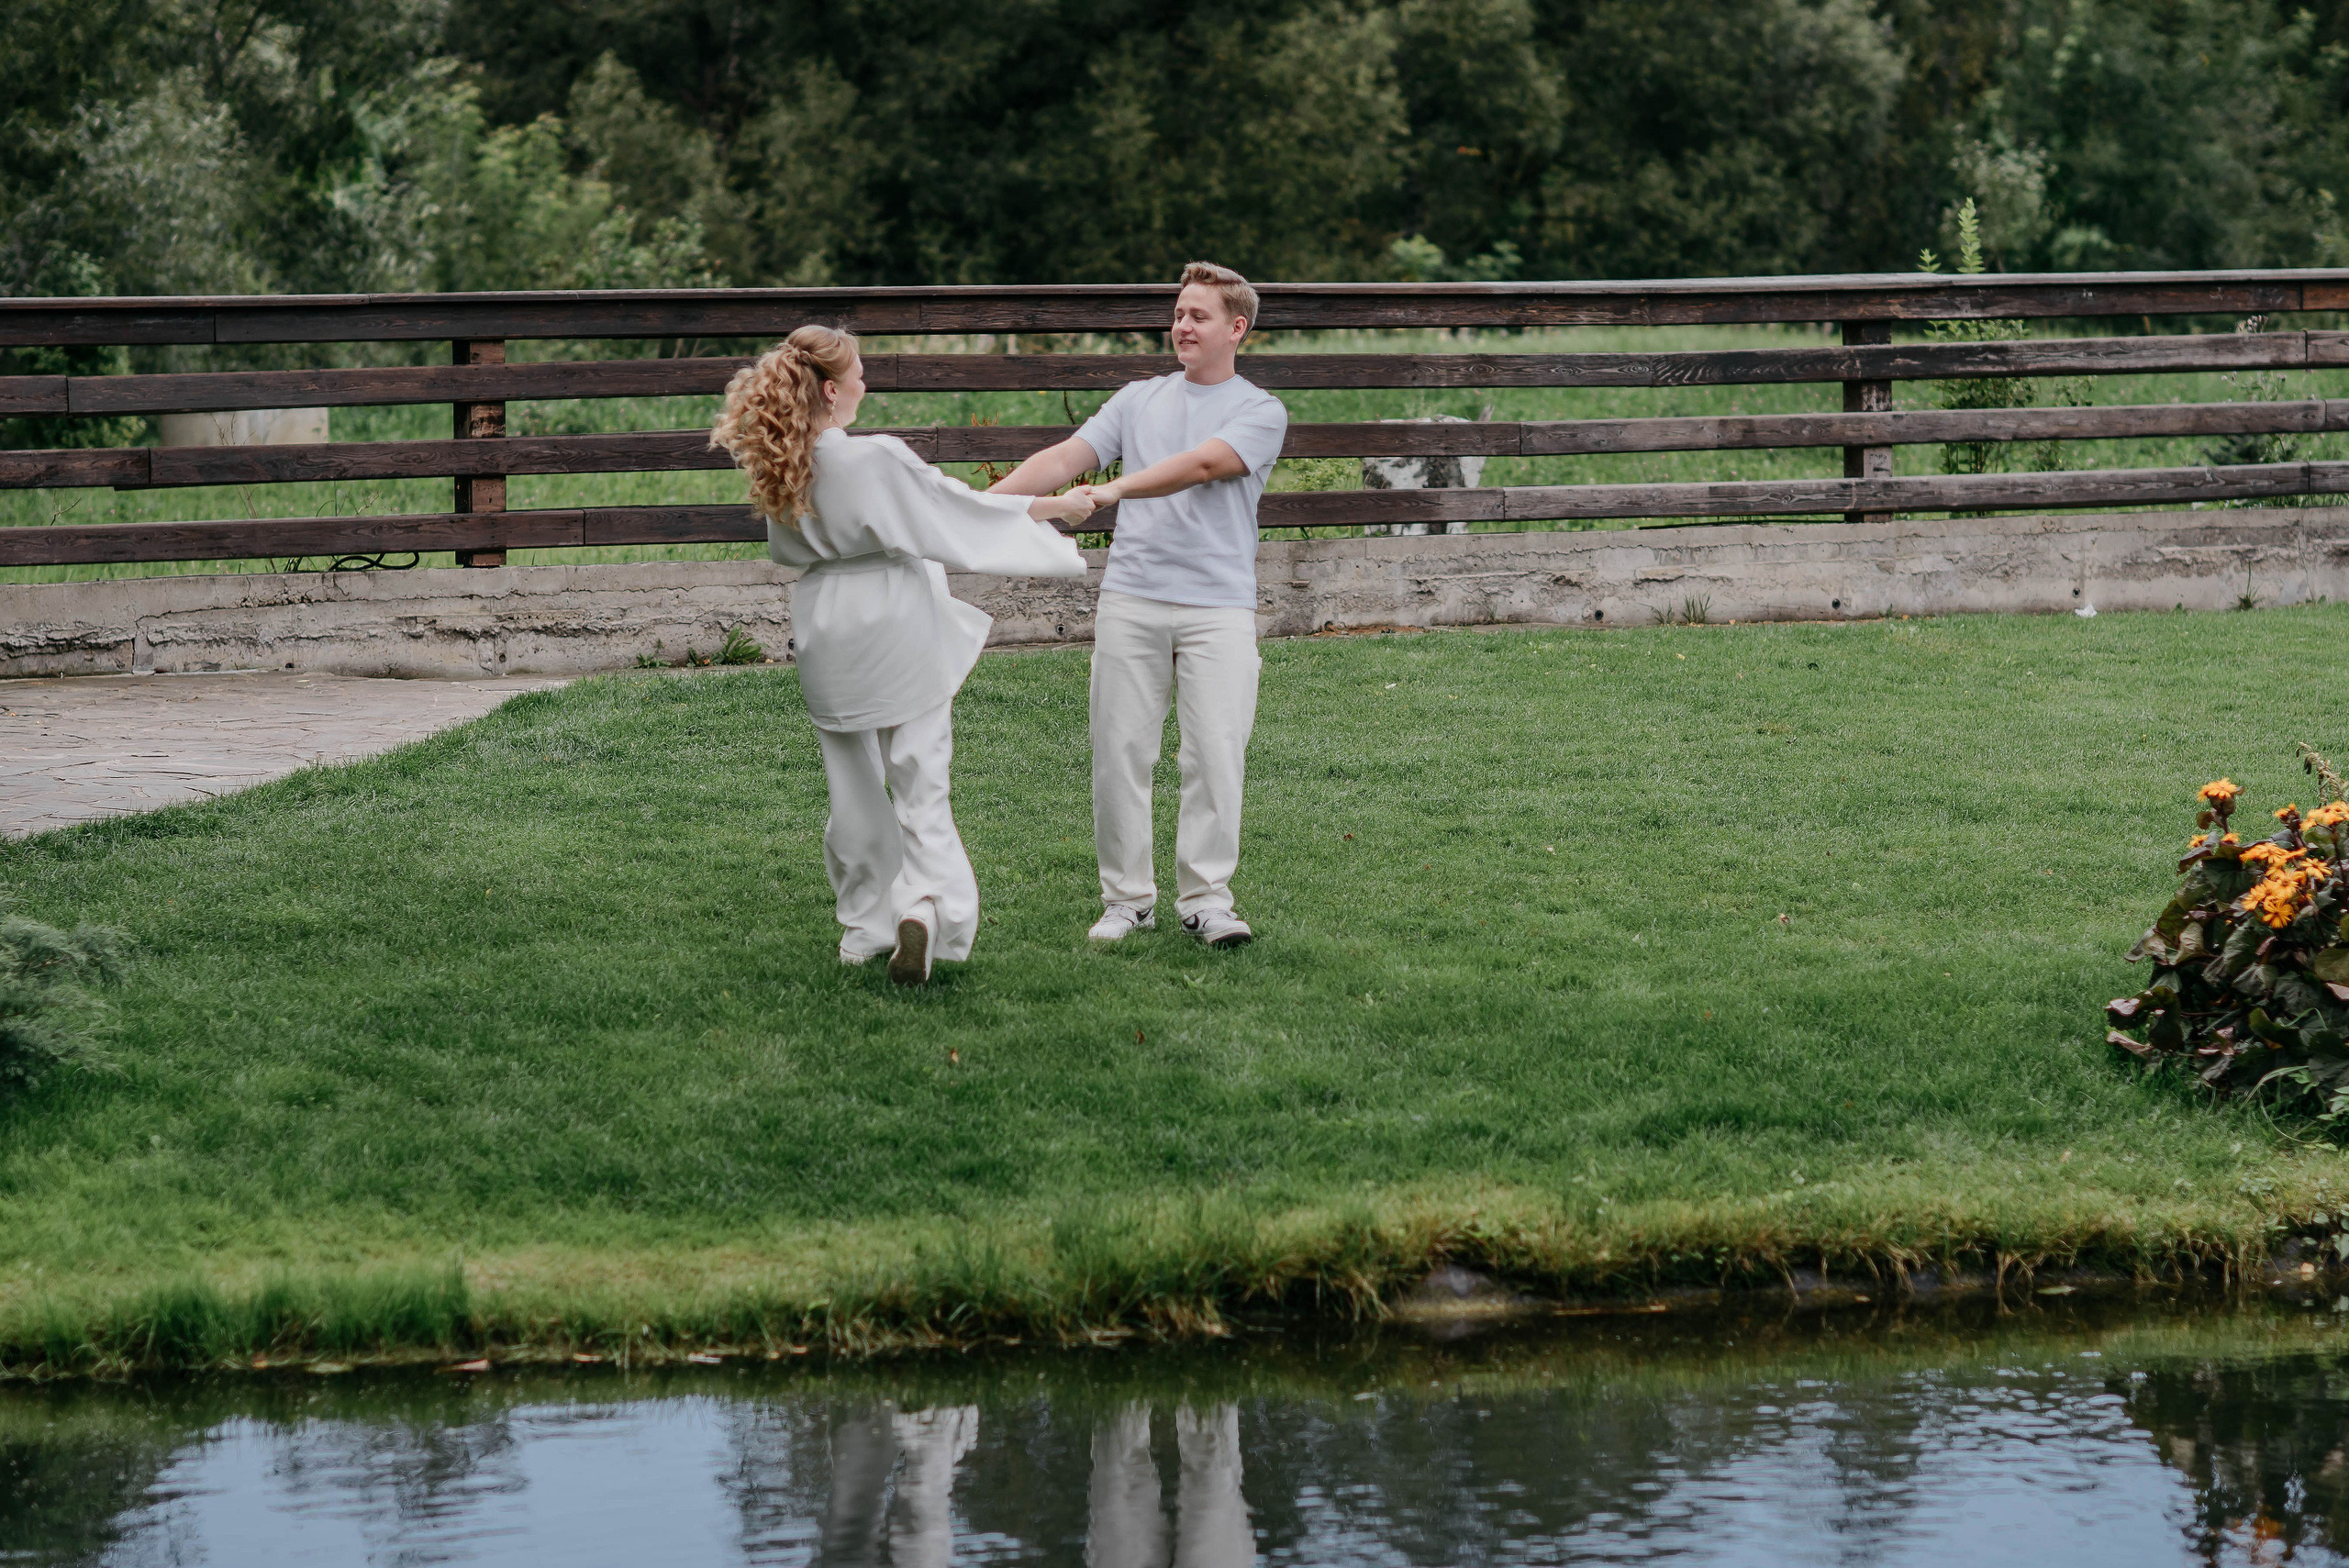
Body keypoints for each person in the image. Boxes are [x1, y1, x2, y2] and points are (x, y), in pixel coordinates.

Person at [711, 326, 1096, 985]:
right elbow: (954, 512)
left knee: (851, 785)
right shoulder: (876, 458)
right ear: (833, 390)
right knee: (920, 776)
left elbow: (798, 547)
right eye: (859, 373)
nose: (867, 383)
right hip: (893, 614)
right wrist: (1056, 509)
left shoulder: (782, 462)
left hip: (826, 624)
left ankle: (864, 927)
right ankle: (926, 906)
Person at [988, 261, 1287, 949]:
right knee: (1119, 751)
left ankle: (1208, 901)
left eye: (1199, 316)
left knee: (1214, 754)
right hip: (1132, 598)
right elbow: (1067, 456)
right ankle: (1127, 901)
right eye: (1179, 313)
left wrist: (1117, 491)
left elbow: (1206, 464)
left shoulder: (1259, 410)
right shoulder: (1138, 399)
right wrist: (980, 506)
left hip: (1218, 607)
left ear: (1236, 328)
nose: (1182, 325)